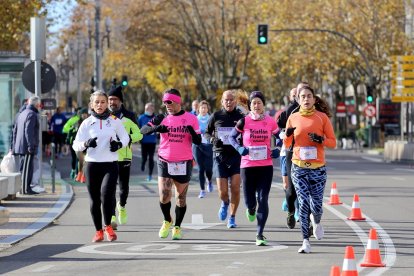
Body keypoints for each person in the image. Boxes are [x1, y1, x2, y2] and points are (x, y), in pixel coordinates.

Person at [141, 88, 201, 240]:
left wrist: (191, 132)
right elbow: (143, 130)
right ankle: (167, 220)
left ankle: (177, 227)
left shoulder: (191, 118)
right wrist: (156, 128)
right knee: (164, 196)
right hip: (165, 160)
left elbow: (199, 141)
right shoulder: (161, 117)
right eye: (164, 102)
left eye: (169, 101)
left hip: (184, 162)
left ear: (177, 102)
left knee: (180, 198)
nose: (166, 104)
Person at [72, 90, 130, 243]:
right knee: (94, 200)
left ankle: (108, 227)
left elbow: (125, 137)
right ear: (91, 104)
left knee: (106, 195)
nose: (100, 105)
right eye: (96, 102)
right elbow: (75, 144)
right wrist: (86, 144)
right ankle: (98, 231)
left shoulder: (114, 120)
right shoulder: (86, 123)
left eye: (103, 102)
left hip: (110, 164)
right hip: (91, 165)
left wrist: (118, 144)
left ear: (107, 104)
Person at [284, 86, 336, 253]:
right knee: (303, 202)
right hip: (298, 166)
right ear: (298, 100)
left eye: (309, 96)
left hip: (318, 168)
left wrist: (321, 139)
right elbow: (286, 145)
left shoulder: (322, 118)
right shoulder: (292, 118)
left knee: (317, 206)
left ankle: (317, 221)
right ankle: (305, 241)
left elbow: (333, 142)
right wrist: (287, 135)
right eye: (302, 96)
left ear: (314, 99)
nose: (306, 99)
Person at [228, 91, 279, 246]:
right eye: (254, 103)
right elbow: (231, 137)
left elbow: (280, 137)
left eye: (259, 102)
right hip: (248, 166)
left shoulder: (270, 121)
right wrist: (239, 148)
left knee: (263, 199)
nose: (256, 105)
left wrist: (277, 148)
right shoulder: (244, 121)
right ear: (250, 105)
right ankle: (250, 209)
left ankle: (260, 233)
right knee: (251, 202)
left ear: (263, 105)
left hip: (265, 166)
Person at [204, 90, 244, 228]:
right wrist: (213, 140)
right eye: (226, 100)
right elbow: (207, 133)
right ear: (222, 102)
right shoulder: (216, 115)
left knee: (235, 188)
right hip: (220, 155)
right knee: (222, 192)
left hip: (236, 156)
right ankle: (225, 203)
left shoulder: (241, 117)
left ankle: (232, 217)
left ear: (236, 101)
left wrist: (243, 145)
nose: (229, 102)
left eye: (231, 99)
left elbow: (247, 134)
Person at [108, 85, 143, 229]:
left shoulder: (129, 116)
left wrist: (127, 138)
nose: (112, 102)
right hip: (108, 158)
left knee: (123, 189)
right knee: (109, 189)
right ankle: (111, 216)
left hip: (125, 158)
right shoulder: (103, 115)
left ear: (120, 101)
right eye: (110, 99)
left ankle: (121, 206)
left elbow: (138, 134)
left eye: (115, 99)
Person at [277, 82, 308, 229]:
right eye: (300, 94)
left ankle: (305, 218)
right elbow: (278, 128)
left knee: (306, 188)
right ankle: (291, 208)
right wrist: (283, 135)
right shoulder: (290, 111)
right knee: (290, 186)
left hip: (309, 156)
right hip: (288, 152)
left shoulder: (317, 111)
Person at [12, 96, 41, 195]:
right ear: (37, 104)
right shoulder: (32, 114)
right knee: (27, 169)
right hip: (27, 147)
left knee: (23, 168)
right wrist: (30, 146)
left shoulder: (22, 113)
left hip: (20, 145)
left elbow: (15, 131)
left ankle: (23, 188)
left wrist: (13, 146)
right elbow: (28, 131)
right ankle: (25, 189)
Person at [192, 100, 214, 198]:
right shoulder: (195, 119)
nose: (204, 109)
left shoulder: (211, 119)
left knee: (208, 169)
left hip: (208, 146)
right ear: (199, 109)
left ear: (208, 109)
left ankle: (209, 181)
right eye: (202, 107)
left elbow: (215, 131)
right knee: (201, 169)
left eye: (205, 108)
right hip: (198, 146)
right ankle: (202, 190)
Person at [65, 108, 89, 182]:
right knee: (78, 160)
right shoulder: (77, 123)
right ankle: (77, 174)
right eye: (83, 114)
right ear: (80, 115)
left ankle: (83, 176)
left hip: (87, 144)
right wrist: (68, 141)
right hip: (78, 144)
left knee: (86, 160)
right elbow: (70, 131)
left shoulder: (90, 122)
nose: (84, 115)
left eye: (85, 114)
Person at [138, 103, 157, 181]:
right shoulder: (141, 118)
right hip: (144, 142)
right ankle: (143, 163)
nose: (147, 110)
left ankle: (150, 175)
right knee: (144, 157)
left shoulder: (156, 118)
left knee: (151, 158)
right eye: (146, 109)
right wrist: (139, 138)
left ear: (152, 109)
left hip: (152, 141)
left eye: (149, 108)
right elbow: (138, 128)